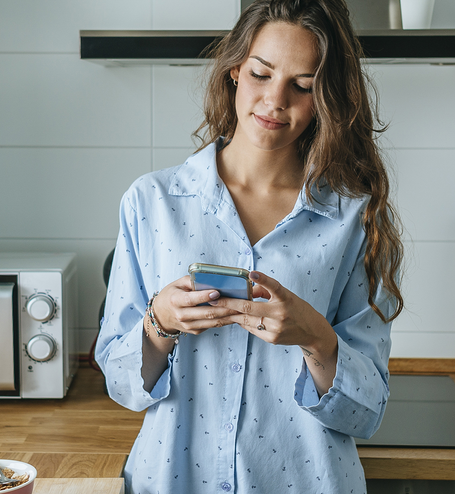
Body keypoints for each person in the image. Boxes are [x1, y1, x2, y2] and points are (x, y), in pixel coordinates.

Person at [94, 0, 404, 492]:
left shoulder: (355, 219)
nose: (275, 100)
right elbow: (121, 384)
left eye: (302, 86)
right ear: (235, 69)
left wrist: (316, 337)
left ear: (325, 98)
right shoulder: (151, 201)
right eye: (261, 73)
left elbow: (365, 413)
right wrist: (160, 321)